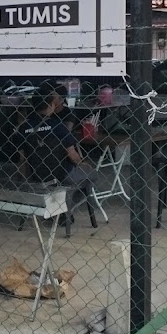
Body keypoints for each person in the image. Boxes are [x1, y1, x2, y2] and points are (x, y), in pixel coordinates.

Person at [18, 86, 98, 236]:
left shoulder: (23, 128)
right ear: (50, 105)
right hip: (62, 175)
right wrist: (82, 164)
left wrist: (25, 179)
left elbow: (22, 158)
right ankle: (64, 208)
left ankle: (56, 206)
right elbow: (72, 155)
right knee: (91, 175)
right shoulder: (58, 127)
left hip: (36, 174)